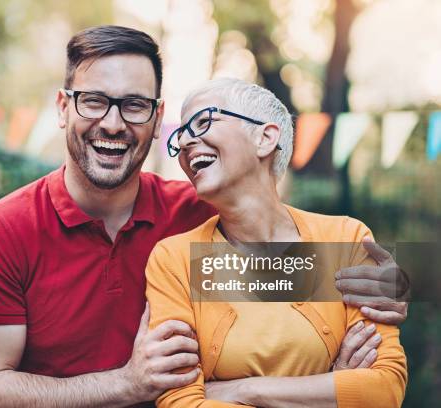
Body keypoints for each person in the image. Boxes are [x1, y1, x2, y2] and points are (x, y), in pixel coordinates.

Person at [0, 26, 408, 407]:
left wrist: (392, 286)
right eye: (93, 100)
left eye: (134, 105)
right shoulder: (2, 231)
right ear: (63, 108)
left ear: (155, 118)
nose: (113, 123)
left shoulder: (203, 213)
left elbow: (308, 281)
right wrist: (128, 383)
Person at [145, 78, 407, 407]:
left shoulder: (346, 238)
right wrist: (330, 386)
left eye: (203, 121)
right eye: (180, 133)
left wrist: (244, 390)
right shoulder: (173, 259)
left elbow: (384, 390)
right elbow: (180, 402)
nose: (184, 142)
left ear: (265, 138)